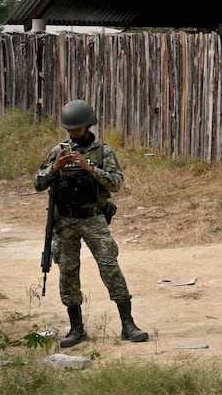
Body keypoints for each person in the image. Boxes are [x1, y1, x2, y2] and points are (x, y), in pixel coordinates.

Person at [34, 99, 148, 347]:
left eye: (77, 128)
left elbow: (116, 184)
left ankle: (128, 324)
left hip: (93, 218)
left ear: (88, 126)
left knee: (110, 266)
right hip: (65, 221)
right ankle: (76, 328)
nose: (73, 133)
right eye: (70, 129)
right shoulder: (59, 151)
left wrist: (90, 169)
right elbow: (38, 183)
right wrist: (55, 168)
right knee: (68, 272)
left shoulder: (103, 152)